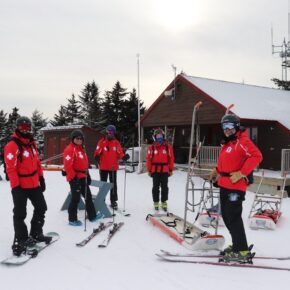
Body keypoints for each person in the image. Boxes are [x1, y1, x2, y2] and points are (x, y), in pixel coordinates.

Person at [209, 114, 263, 263]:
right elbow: (226, 162)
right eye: (224, 127)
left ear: (236, 126)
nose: (226, 130)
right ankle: (237, 246)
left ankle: (242, 251)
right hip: (224, 185)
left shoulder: (242, 141)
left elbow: (257, 156)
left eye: (229, 126)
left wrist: (242, 173)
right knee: (226, 217)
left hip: (236, 186)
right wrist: (217, 170)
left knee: (233, 216)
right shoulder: (228, 143)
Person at [4, 116, 51, 256]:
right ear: (17, 127)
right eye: (22, 127)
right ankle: (22, 238)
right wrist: (16, 187)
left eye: (27, 127)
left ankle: (36, 233)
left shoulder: (32, 144)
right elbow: (10, 168)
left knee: (41, 207)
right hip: (20, 186)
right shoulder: (12, 145)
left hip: (33, 183)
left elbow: (37, 163)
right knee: (20, 213)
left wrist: (41, 178)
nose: (25, 130)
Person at [63, 130, 101, 226]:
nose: (79, 140)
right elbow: (68, 166)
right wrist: (73, 178)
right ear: (73, 139)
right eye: (77, 138)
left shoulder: (81, 149)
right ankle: (72, 219)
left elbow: (84, 163)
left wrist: (88, 175)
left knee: (88, 196)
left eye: (81, 138)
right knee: (75, 199)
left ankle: (92, 216)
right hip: (75, 178)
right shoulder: (70, 149)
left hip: (83, 176)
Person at [94, 125, 129, 210]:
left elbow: (120, 153)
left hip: (113, 168)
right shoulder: (101, 142)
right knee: (103, 184)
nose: (110, 134)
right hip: (103, 167)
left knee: (113, 185)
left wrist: (124, 157)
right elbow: (97, 151)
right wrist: (96, 156)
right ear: (106, 132)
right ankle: (101, 199)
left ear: (114, 133)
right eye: (109, 132)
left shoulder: (116, 143)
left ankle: (113, 201)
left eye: (112, 132)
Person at [146, 128, 174, 211]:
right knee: (155, 187)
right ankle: (156, 202)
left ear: (163, 136)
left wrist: (171, 169)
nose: (159, 137)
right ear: (155, 137)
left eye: (161, 135)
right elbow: (149, 159)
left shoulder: (167, 147)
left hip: (165, 170)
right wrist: (149, 170)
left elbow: (171, 158)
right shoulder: (152, 147)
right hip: (155, 171)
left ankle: (164, 202)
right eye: (158, 136)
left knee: (165, 187)